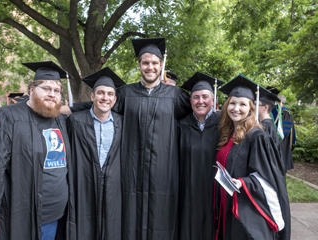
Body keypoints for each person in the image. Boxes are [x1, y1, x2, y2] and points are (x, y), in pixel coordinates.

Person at [62, 38, 192, 240]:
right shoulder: (125, 93)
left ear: (161, 65)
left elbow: (196, 117)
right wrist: (68, 109)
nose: (150, 67)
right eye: (145, 63)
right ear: (139, 65)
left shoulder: (175, 96)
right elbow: (100, 106)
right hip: (130, 174)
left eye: (154, 63)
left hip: (163, 174)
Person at [0, 61, 75, 240]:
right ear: (32, 89)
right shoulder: (7, 117)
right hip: (20, 215)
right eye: (46, 88)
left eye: (57, 90)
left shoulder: (58, 120)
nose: (52, 94)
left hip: (53, 215)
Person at [214, 74, 291, 240]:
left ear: (251, 108)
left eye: (243, 104)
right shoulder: (228, 132)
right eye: (232, 103)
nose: (236, 108)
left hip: (243, 207)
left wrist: (243, 182)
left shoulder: (257, 136)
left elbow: (269, 178)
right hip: (224, 200)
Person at [67, 67, 125, 240]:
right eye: (100, 93)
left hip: (113, 186)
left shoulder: (122, 123)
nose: (105, 98)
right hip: (83, 182)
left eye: (109, 94)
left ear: (114, 100)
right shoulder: (75, 121)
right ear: (92, 96)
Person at [178, 72, 224, 240]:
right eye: (195, 97)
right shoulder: (181, 125)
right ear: (190, 102)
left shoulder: (224, 123)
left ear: (213, 100)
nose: (200, 101)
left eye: (205, 97)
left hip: (217, 190)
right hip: (189, 191)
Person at [277, 94, 296, 172]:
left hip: (283, 140)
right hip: (281, 139)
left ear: (279, 102)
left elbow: (285, 130)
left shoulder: (285, 112)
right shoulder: (281, 110)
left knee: (282, 158)